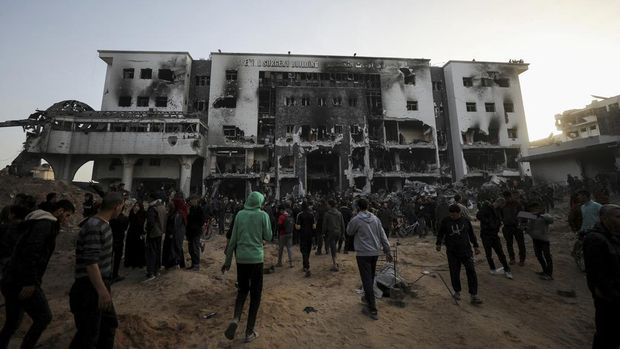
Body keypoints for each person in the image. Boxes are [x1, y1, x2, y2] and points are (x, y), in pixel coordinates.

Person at [0, 200, 74, 349]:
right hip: (22, 281)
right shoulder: (45, 224)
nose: (67, 219)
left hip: (11, 278)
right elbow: (31, 253)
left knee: (12, 322)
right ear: (59, 211)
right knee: (44, 317)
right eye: (67, 215)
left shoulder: (36, 220)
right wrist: (30, 282)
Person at [69, 193, 124, 349]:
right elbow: (91, 262)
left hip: (99, 284)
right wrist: (102, 291)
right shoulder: (95, 226)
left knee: (108, 326)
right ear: (117, 206)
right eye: (122, 206)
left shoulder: (103, 224)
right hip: (90, 287)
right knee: (88, 335)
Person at [222, 192, 272, 343]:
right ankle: (249, 331)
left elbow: (233, 240)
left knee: (242, 290)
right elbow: (268, 236)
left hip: (241, 259)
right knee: (256, 295)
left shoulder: (240, 215)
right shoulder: (263, 215)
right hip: (256, 259)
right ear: (260, 202)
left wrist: (228, 261)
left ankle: (236, 318)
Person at [346, 198, 393, 320]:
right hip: (374, 253)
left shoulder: (356, 219)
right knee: (370, 277)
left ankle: (372, 309)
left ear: (357, 207)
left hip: (363, 254)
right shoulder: (375, 219)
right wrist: (387, 251)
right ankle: (368, 298)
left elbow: (349, 231)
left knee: (366, 279)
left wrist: (353, 217)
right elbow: (383, 235)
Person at [583, 204, 620, 348]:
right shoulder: (595, 239)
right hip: (609, 301)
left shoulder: (614, 237)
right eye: (618, 217)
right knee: (606, 338)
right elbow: (599, 278)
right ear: (604, 218)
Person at [436, 204, 483, 305]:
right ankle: (457, 291)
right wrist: (438, 243)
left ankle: (473, 295)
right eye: (451, 215)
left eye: (454, 215)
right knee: (454, 272)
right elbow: (440, 232)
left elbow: (471, 234)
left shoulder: (465, 221)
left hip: (466, 250)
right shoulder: (446, 221)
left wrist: (475, 246)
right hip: (452, 251)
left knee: (471, 271)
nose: (452, 217)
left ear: (459, 213)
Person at [476, 199, 512, 279]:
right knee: (489, 253)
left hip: (494, 235)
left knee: (500, 253)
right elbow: (478, 215)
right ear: (499, 203)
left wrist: (498, 223)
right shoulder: (486, 207)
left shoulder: (499, 210)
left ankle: (507, 269)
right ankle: (492, 268)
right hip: (486, 235)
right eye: (502, 205)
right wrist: (489, 222)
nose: (503, 207)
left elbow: (500, 219)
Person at [523, 202, 554, 280]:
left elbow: (551, 220)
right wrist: (525, 229)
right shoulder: (532, 217)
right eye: (532, 209)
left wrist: (540, 214)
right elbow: (529, 228)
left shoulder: (545, 216)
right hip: (535, 240)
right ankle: (545, 271)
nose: (533, 210)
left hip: (544, 240)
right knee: (539, 256)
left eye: (535, 209)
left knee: (547, 256)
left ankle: (549, 274)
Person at [499, 191, 526, 266]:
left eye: (508, 197)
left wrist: (523, 226)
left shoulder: (517, 204)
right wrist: (503, 220)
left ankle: (522, 260)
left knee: (521, 244)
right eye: (505, 197)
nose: (507, 199)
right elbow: (500, 215)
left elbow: (524, 215)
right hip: (507, 227)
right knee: (509, 244)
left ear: (510, 196)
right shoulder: (503, 205)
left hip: (517, 227)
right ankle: (512, 259)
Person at [144, 196, 166, 281]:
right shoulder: (162, 207)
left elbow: (150, 222)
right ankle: (156, 270)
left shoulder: (152, 209)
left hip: (153, 234)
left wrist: (147, 230)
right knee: (157, 251)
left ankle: (151, 273)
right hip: (160, 233)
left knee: (151, 253)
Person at [322, 199, 345, 272]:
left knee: (333, 248)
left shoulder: (327, 214)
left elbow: (324, 225)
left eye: (328, 204)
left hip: (331, 233)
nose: (327, 205)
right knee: (334, 246)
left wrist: (323, 232)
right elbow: (342, 224)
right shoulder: (339, 213)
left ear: (330, 205)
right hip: (338, 232)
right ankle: (335, 261)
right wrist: (343, 233)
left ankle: (335, 264)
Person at [109, 203, 129, 283]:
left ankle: (107, 274)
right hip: (120, 240)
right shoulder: (125, 218)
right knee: (117, 259)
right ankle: (115, 275)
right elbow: (125, 228)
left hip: (111, 239)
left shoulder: (111, 218)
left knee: (109, 258)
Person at [296, 202, 316, 277]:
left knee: (303, 250)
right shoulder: (311, 215)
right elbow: (314, 226)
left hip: (302, 235)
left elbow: (298, 227)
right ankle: (306, 264)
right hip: (310, 235)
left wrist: (297, 234)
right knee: (308, 249)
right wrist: (314, 235)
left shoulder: (299, 215)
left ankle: (306, 265)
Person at [124, 202, 145, 268]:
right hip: (132, 232)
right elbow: (130, 220)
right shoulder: (131, 212)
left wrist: (136, 214)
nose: (136, 207)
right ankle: (130, 262)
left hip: (139, 232)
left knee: (139, 248)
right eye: (135, 205)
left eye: (137, 206)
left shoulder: (143, 213)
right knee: (131, 247)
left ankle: (139, 262)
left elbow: (140, 223)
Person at [186, 195, 205, 271]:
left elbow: (202, 220)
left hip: (196, 232)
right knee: (190, 249)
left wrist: (196, 226)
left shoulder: (199, 209)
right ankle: (193, 264)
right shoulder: (190, 209)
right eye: (191, 200)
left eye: (193, 200)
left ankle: (196, 265)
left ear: (196, 200)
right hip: (190, 232)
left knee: (195, 248)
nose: (192, 201)